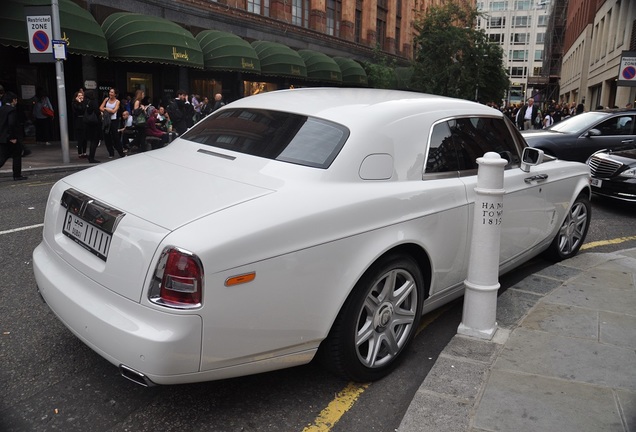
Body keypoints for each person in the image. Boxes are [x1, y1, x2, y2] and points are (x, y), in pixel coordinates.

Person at [0, 91, 27, 180]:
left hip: (2, 137)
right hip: (10, 137)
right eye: (15, 100)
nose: (16, 102)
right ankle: (17, 175)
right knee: (16, 155)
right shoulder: (11, 110)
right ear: (13, 100)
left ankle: (17, 175)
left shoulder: (1, 109)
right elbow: (11, 124)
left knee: (3, 156)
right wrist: (12, 137)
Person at [99, 87, 126, 159]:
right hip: (106, 120)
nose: (110, 93)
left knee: (115, 137)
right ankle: (111, 153)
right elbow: (100, 108)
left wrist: (106, 109)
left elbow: (114, 111)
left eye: (112, 92)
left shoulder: (117, 102)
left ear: (115, 94)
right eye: (110, 92)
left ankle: (121, 152)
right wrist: (107, 109)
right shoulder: (106, 99)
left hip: (114, 120)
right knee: (107, 137)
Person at [83, 90, 101, 163]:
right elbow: (97, 111)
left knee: (91, 140)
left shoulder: (84, 102)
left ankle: (91, 156)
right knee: (95, 140)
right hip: (94, 123)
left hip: (87, 123)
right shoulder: (93, 101)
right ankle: (91, 157)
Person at [71, 91, 88, 158]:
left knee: (85, 138)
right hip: (79, 121)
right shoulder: (74, 103)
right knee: (80, 138)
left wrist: (82, 102)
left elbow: (85, 109)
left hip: (84, 121)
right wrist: (79, 102)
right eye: (79, 95)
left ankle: (84, 152)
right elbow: (80, 109)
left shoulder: (84, 102)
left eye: (82, 95)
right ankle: (80, 153)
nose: (81, 96)